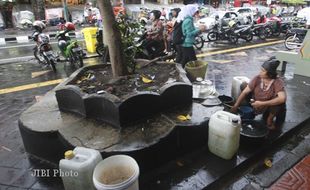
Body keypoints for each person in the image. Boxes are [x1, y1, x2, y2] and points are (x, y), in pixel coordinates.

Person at [231, 58, 287, 130]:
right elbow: (245, 92)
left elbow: (282, 99)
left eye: (263, 71)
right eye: (261, 69)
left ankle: (269, 119)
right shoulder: (257, 78)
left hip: (271, 108)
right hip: (257, 102)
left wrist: (261, 104)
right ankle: (251, 110)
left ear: (270, 74)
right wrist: (236, 105)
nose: (260, 72)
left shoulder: (277, 82)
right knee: (244, 85)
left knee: (278, 99)